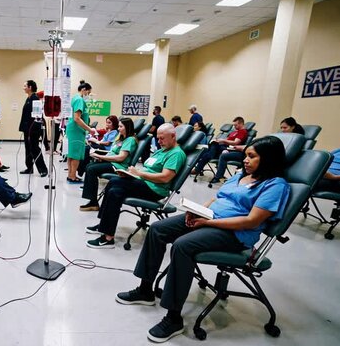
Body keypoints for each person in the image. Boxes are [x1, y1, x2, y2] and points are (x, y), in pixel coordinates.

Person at [117, 136, 290, 343]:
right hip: (210, 219)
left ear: (269, 159)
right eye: (245, 155)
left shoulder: (275, 185)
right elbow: (218, 198)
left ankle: (173, 318)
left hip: (235, 234)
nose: (245, 160)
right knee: (157, 229)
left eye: (251, 157)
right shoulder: (241, 176)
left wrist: (207, 222)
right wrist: (198, 212)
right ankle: (145, 290)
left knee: (182, 246)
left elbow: (252, 221)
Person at [86, 124, 186, 248]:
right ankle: (103, 225)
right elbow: (149, 169)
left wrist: (139, 174)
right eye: (158, 138)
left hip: (155, 189)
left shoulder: (176, 154)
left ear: (173, 136)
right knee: (113, 182)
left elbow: (165, 177)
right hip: (144, 182)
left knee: (115, 191)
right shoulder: (162, 150)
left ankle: (108, 237)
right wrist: (130, 174)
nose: (159, 142)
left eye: (162, 138)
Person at [80, 118, 138, 211]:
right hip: (111, 162)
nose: (118, 129)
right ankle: (92, 201)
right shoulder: (120, 139)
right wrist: (100, 158)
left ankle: (93, 202)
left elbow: (121, 158)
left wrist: (102, 157)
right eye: (118, 126)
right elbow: (111, 152)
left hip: (118, 166)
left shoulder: (130, 140)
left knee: (91, 169)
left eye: (120, 126)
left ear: (127, 127)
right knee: (89, 166)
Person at [66, 80, 95, 183]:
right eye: (88, 93)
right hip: (76, 130)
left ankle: (70, 175)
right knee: (76, 154)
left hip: (72, 129)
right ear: (83, 90)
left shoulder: (75, 98)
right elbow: (77, 118)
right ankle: (73, 176)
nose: (88, 95)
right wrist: (89, 129)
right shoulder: (79, 100)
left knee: (71, 153)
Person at [18, 80, 48, 177]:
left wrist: (32, 128)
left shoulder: (35, 99)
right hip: (27, 128)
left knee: (34, 148)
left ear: (30, 87)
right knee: (28, 148)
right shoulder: (29, 98)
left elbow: (37, 116)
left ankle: (43, 169)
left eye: (25, 86)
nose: (23, 88)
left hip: (33, 128)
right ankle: (29, 168)